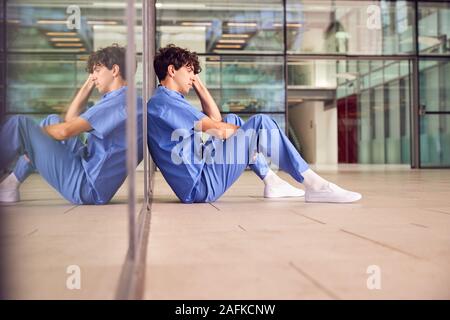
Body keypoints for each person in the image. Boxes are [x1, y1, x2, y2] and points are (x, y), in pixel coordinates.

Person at [147, 44, 361, 204]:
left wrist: (200, 88)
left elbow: (217, 121)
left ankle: (272, 181)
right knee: (260, 123)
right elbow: (219, 131)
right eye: (189, 71)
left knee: (233, 119)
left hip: (202, 171)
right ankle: (316, 186)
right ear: (172, 70)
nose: (192, 77)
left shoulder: (171, 100)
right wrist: (253, 137)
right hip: (200, 185)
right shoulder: (164, 103)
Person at [0, 44, 142, 204]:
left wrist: (33, 135)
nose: (93, 76)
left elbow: (65, 132)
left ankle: (10, 183)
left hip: (86, 185)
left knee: (21, 125)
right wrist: (90, 83)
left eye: (97, 70)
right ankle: (10, 185)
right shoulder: (125, 99)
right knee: (52, 120)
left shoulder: (120, 103)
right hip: (89, 169)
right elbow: (70, 119)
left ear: (114, 70)